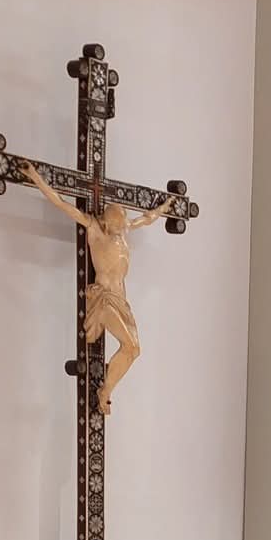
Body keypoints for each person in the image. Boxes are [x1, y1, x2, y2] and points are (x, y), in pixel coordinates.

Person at [21, 163, 179, 413]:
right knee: (131, 347)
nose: (120, 229)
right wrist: (36, 178)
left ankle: (105, 388)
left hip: (120, 300)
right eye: (116, 225)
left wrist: (166, 206)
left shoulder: (123, 230)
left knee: (134, 350)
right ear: (106, 222)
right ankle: (104, 392)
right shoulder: (95, 229)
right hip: (103, 299)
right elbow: (61, 203)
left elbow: (147, 218)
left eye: (122, 225)